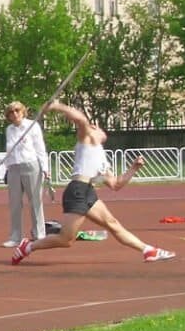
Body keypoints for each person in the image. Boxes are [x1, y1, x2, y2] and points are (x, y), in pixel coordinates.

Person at [10, 100, 175, 265]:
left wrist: (133, 169)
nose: (97, 127)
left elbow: (116, 185)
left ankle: (148, 251)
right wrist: (57, 106)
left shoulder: (102, 159)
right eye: (95, 126)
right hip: (77, 191)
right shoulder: (86, 139)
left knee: (113, 224)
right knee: (66, 240)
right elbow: (81, 120)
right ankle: (28, 246)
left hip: (88, 192)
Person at [3, 101, 49, 248]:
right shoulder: (9, 129)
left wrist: (45, 168)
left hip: (31, 166)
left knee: (35, 202)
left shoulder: (32, 126)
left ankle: (39, 234)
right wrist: (7, 168)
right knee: (15, 204)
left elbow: (40, 148)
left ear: (23, 112)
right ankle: (15, 237)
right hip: (14, 168)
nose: (14, 114)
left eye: (17, 110)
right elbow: (9, 151)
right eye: (11, 112)